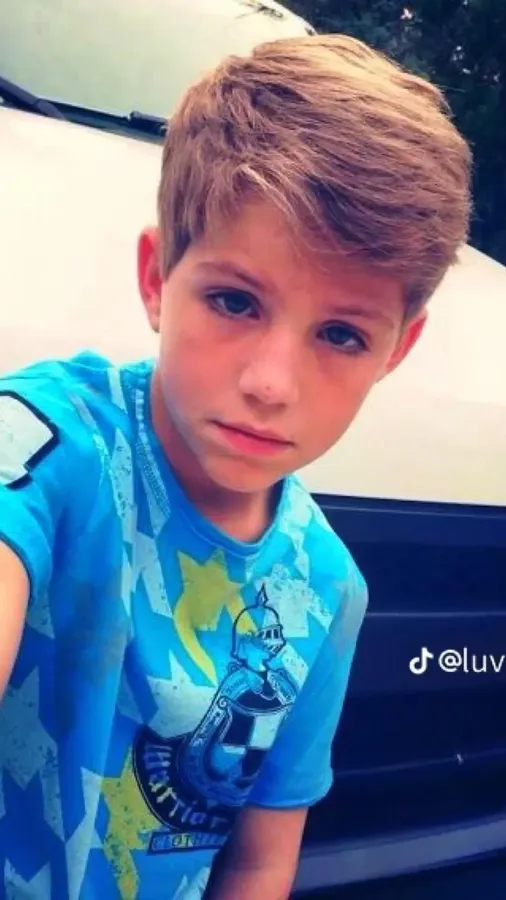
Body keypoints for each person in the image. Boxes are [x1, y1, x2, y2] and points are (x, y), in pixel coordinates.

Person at [0, 32, 471, 900]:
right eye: (234, 300)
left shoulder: (326, 588)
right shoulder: (48, 445)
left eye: (341, 334)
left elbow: (258, 859)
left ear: (396, 350)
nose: (271, 384)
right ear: (157, 278)